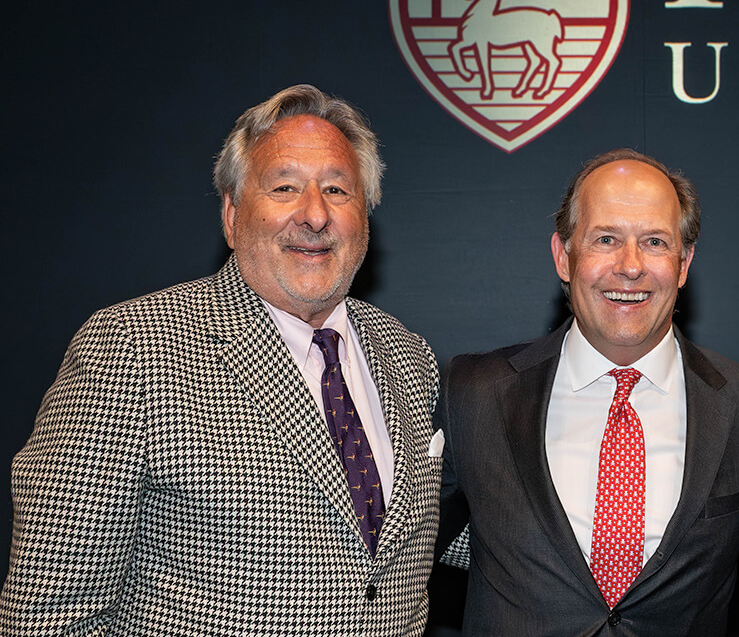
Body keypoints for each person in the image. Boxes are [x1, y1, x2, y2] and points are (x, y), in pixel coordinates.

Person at [0, 85, 441, 634]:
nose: (314, 214)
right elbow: (49, 614)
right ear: (232, 216)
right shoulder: (131, 348)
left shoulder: (407, 355)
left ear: (366, 218)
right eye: (284, 188)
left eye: (337, 189)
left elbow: (436, 532)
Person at [435, 148, 739, 636]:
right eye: (605, 239)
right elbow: (404, 555)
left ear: (684, 264)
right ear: (563, 255)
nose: (631, 266)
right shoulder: (474, 392)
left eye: (655, 242)